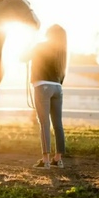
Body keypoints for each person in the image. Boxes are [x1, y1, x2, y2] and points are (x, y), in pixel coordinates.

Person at [28, 24, 67, 169]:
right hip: (58, 87)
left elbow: (22, 57)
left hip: (43, 86)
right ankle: (58, 159)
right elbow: (62, 74)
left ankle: (45, 160)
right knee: (58, 124)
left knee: (44, 123)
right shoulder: (62, 51)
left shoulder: (40, 46)